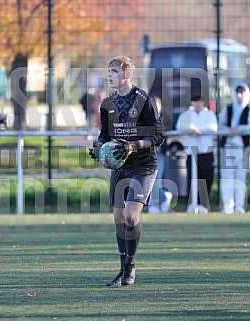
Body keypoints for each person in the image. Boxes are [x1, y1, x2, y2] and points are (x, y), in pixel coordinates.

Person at [89, 55, 164, 286]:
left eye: (114, 71)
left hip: (144, 164)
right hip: (121, 165)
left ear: (127, 74)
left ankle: (130, 267)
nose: (109, 75)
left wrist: (133, 146)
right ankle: (122, 269)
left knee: (131, 216)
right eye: (108, 71)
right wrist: (99, 147)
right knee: (119, 217)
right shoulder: (107, 103)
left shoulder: (144, 101)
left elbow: (158, 136)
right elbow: (104, 136)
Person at [176, 93, 218, 213]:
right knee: (193, 178)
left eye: (199, 101)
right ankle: (193, 203)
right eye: (195, 102)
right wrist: (191, 129)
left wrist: (200, 130)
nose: (197, 104)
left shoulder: (209, 114)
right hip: (191, 152)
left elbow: (213, 127)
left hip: (206, 151)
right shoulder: (186, 115)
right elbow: (180, 127)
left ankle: (203, 205)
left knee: (207, 178)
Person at [219, 83, 250, 214]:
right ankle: (228, 205)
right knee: (227, 177)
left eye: (242, 92)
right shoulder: (229, 108)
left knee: (240, 177)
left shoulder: (248, 109)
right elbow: (220, 125)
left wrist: (239, 130)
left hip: (242, 148)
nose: (239, 95)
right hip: (228, 147)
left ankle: (239, 205)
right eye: (237, 92)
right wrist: (229, 130)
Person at [148, 96, 173, 213]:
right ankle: (161, 199)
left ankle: (158, 202)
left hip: (160, 152)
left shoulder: (165, 116)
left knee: (156, 179)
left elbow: (167, 130)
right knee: (150, 179)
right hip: (148, 152)